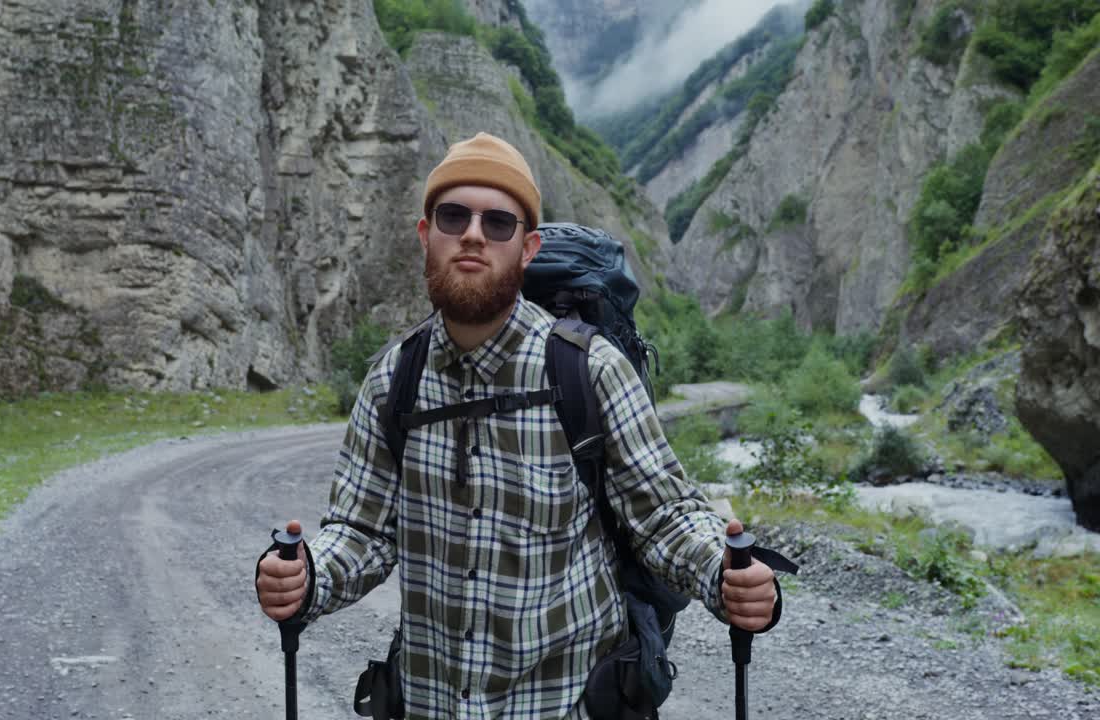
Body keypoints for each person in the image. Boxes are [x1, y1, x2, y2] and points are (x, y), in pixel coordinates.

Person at [256, 132, 777, 719]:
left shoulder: (590, 370)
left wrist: (723, 574)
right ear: (426, 234)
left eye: (498, 222)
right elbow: (362, 531)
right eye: (454, 216)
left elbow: (663, 518)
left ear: (527, 248)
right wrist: (308, 575)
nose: (473, 234)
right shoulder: (392, 380)